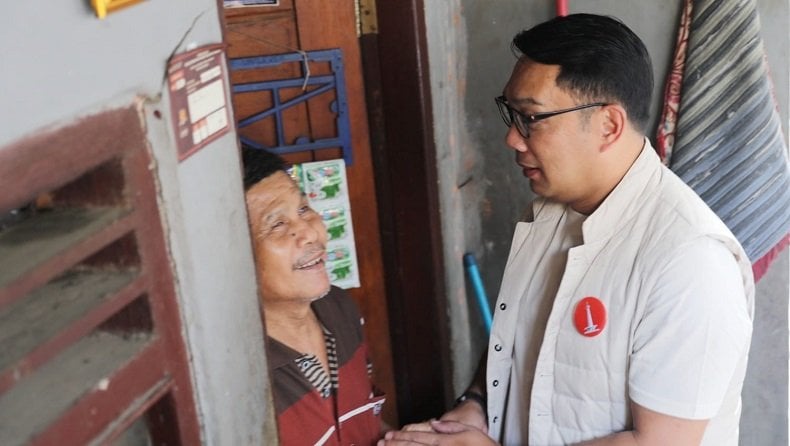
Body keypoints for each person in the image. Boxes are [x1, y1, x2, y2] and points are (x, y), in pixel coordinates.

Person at [381, 13, 754, 446]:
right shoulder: (549, 212)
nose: (513, 140)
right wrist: (477, 404)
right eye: (511, 114)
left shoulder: (689, 259)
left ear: (608, 125)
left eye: (531, 118)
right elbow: (517, 337)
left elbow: (661, 443)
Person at [242, 144, 385, 445]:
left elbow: (366, 422)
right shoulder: (242, 378)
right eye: (278, 224)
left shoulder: (339, 308)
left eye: (304, 209)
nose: (310, 232)